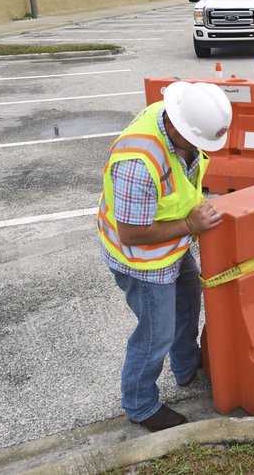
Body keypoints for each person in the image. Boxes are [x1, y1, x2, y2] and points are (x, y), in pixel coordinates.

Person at [97, 81, 232, 432]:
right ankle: (140, 404)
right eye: (198, 141)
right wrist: (191, 223)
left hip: (172, 245)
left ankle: (186, 367)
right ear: (176, 127)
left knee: (188, 302)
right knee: (156, 333)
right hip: (140, 259)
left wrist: (189, 223)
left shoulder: (182, 123)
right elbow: (132, 233)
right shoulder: (137, 163)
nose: (203, 149)